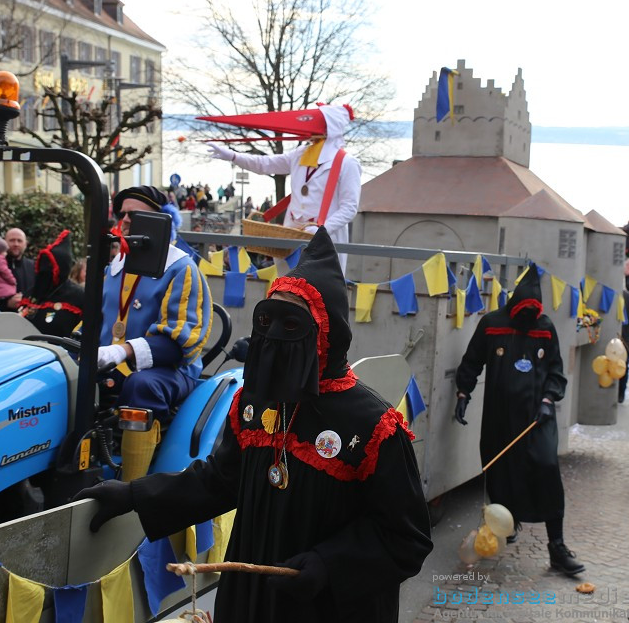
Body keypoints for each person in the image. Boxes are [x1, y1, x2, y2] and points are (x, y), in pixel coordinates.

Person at [76, 228, 432, 622]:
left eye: (291, 324)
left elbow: (407, 538)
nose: (274, 335)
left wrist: (329, 565)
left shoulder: (373, 425)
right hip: (252, 603)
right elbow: (220, 481)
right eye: (267, 320)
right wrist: (134, 496)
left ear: (325, 335)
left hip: (329, 609)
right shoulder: (253, 405)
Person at [453, 265, 585, 575]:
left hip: (538, 418)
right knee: (500, 472)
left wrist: (548, 399)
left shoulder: (545, 327)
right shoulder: (491, 324)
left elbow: (556, 371)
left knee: (547, 470)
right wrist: (463, 394)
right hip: (500, 416)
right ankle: (506, 524)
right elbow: (471, 363)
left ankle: (557, 547)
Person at [97, 185, 214, 481]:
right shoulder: (115, 266)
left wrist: (123, 351)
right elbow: (93, 322)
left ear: (158, 222)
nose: (124, 220)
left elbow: (180, 343)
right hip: (110, 363)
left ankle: (131, 489)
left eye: (134, 215)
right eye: (121, 214)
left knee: (142, 385)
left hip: (170, 369)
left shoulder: (181, 269)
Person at [208, 105, 361, 271]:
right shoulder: (300, 154)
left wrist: (322, 229)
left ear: (330, 127)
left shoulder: (347, 163)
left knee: (318, 292)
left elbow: (349, 208)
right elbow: (265, 164)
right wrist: (233, 156)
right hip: (290, 240)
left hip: (324, 243)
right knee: (286, 288)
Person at [20, 230, 84, 338]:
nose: (44, 270)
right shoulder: (31, 293)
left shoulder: (78, 296)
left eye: (50, 266)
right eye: (42, 265)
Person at [4, 228, 34, 308]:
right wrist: (6, 303)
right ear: (4, 243)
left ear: (25, 244)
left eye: (19, 241)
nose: (16, 244)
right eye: (12, 240)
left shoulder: (33, 267)